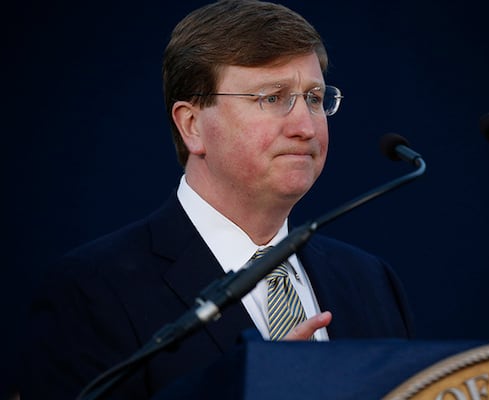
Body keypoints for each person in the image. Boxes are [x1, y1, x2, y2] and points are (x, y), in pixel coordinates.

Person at [18, 0, 414, 398]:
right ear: (192, 126)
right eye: (272, 98)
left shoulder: (369, 280)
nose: (305, 126)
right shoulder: (90, 292)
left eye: (313, 98)